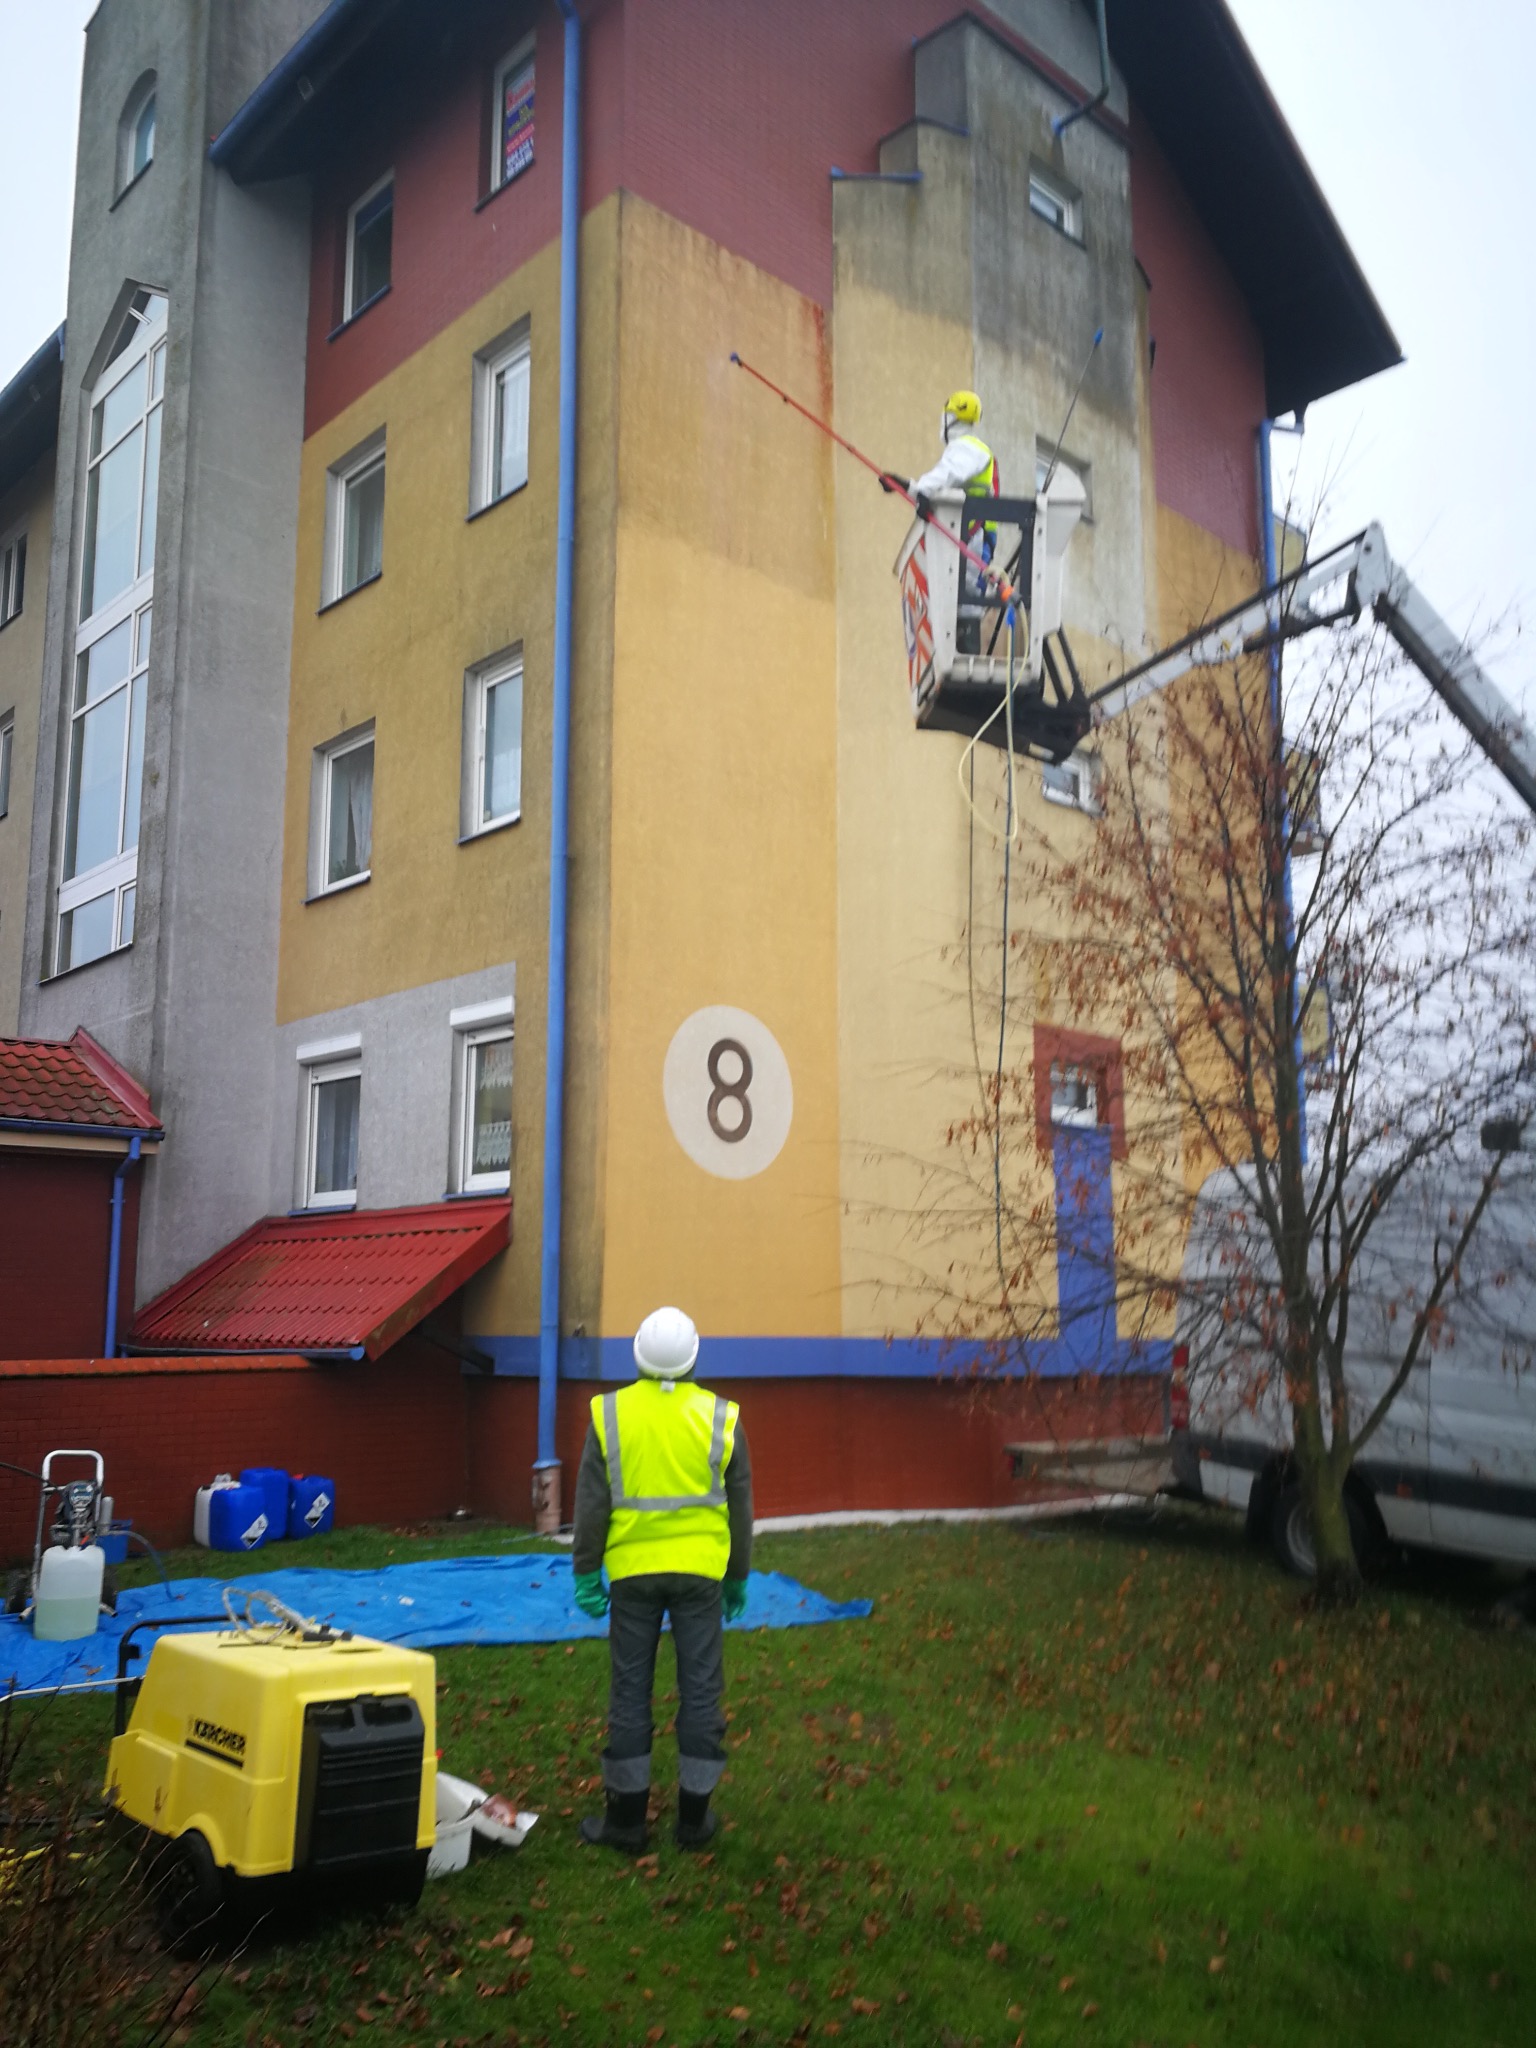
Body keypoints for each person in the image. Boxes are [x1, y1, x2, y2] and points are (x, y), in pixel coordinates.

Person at [572, 1305, 753, 1853]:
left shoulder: (610, 1414)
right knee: (701, 1693)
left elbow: (591, 1504)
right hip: (700, 1577)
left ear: (638, 1354)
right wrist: (737, 1577)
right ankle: (694, 1822)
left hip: (632, 1576)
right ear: (695, 1356)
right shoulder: (721, 1416)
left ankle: (626, 1823)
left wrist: (585, 1572)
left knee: (631, 1691)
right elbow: (740, 1506)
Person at [881, 391, 1000, 650]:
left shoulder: (967, 448)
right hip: (971, 535)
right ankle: (957, 651)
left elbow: (946, 475)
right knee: (958, 599)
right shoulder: (970, 449)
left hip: (972, 536)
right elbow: (944, 485)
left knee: (966, 600)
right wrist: (911, 489)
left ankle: (963, 653)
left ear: (950, 418)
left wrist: (917, 489)